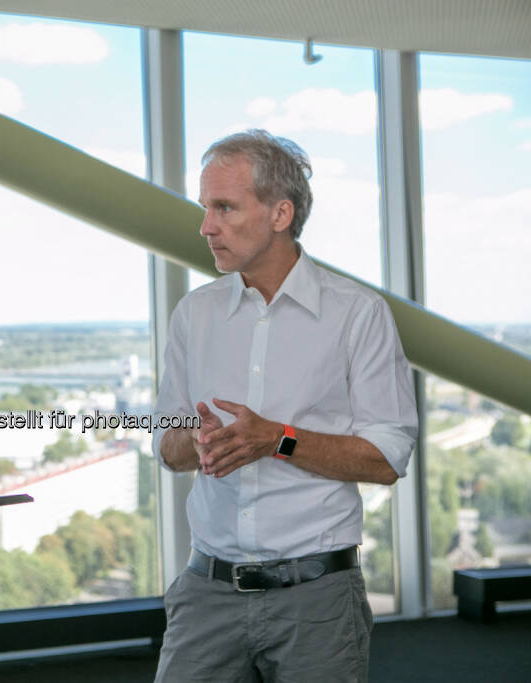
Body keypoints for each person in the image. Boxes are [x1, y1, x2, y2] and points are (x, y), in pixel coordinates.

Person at [152, 129, 418, 682]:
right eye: (205, 208)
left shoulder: (357, 315)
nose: (206, 226)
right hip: (206, 595)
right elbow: (168, 446)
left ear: (280, 213)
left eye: (224, 207)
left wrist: (277, 440)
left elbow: (388, 458)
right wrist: (196, 441)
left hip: (318, 602)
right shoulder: (193, 315)